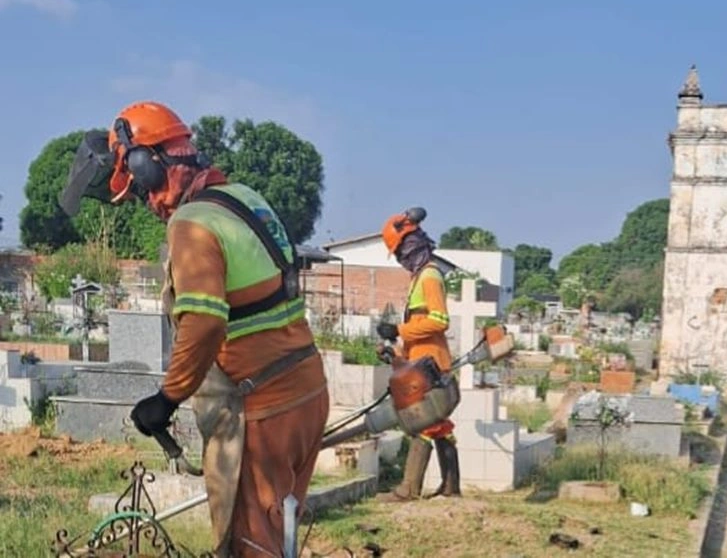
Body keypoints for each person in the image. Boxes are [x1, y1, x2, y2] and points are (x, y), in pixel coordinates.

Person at [59, 101, 328, 557]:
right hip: (306, 393)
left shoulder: (191, 223)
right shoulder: (246, 199)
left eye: (141, 188)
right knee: (279, 537)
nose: (147, 202)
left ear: (149, 164)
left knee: (252, 547)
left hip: (261, 409)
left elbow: (204, 324)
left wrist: (166, 400)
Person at [375, 208, 460, 500]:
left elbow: (439, 320)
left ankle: (408, 490)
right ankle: (451, 487)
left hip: (432, 366)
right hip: (420, 365)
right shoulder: (418, 278)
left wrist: (398, 329)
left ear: (413, 245)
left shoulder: (430, 277)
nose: (400, 259)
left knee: (422, 424)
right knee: (438, 426)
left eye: (400, 252)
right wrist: (394, 352)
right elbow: (417, 329)